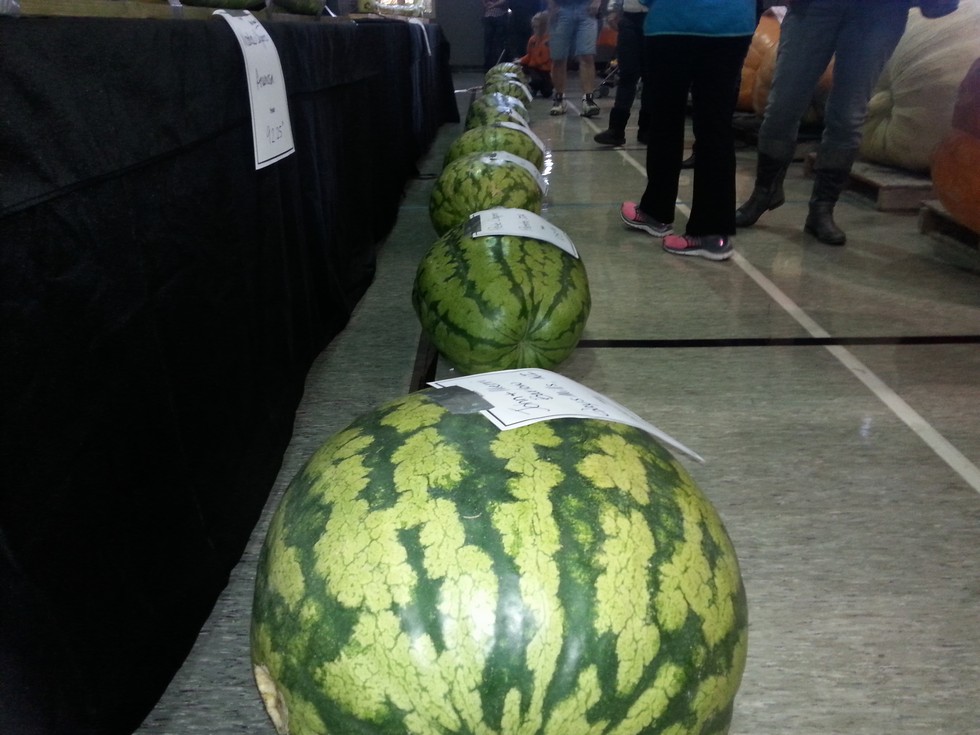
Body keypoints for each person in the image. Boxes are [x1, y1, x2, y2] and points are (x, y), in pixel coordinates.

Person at [734, 0, 913, 245]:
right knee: (781, 107)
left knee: (848, 117)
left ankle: (822, 209)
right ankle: (765, 191)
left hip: (880, 13)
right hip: (814, 7)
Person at [619, 0, 756, 261]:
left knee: (665, 119)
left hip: (673, 19)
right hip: (732, 21)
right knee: (716, 124)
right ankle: (711, 233)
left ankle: (656, 212)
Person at [593, 0, 649, 145]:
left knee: (651, 77)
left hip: (655, 17)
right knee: (627, 74)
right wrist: (613, 9)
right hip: (629, 17)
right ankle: (616, 130)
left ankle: (647, 129)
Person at [547, 0, 602, 117]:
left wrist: (597, 1)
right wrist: (551, 4)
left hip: (586, 7)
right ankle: (559, 99)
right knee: (558, 57)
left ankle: (588, 99)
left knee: (587, 55)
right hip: (561, 7)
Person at [518, 11, 554, 98]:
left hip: (545, 70)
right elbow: (529, 54)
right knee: (536, 80)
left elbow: (545, 58)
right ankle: (532, 87)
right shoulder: (532, 40)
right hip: (533, 68)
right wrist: (521, 61)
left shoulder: (549, 41)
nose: (535, 29)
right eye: (533, 27)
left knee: (547, 92)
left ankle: (542, 86)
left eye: (537, 27)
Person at [483, 0, 511, 73]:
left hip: (488, 15)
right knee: (499, 43)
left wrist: (489, 6)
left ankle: (488, 67)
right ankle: (499, 66)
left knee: (489, 43)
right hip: (501, 15)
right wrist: (495, 5)